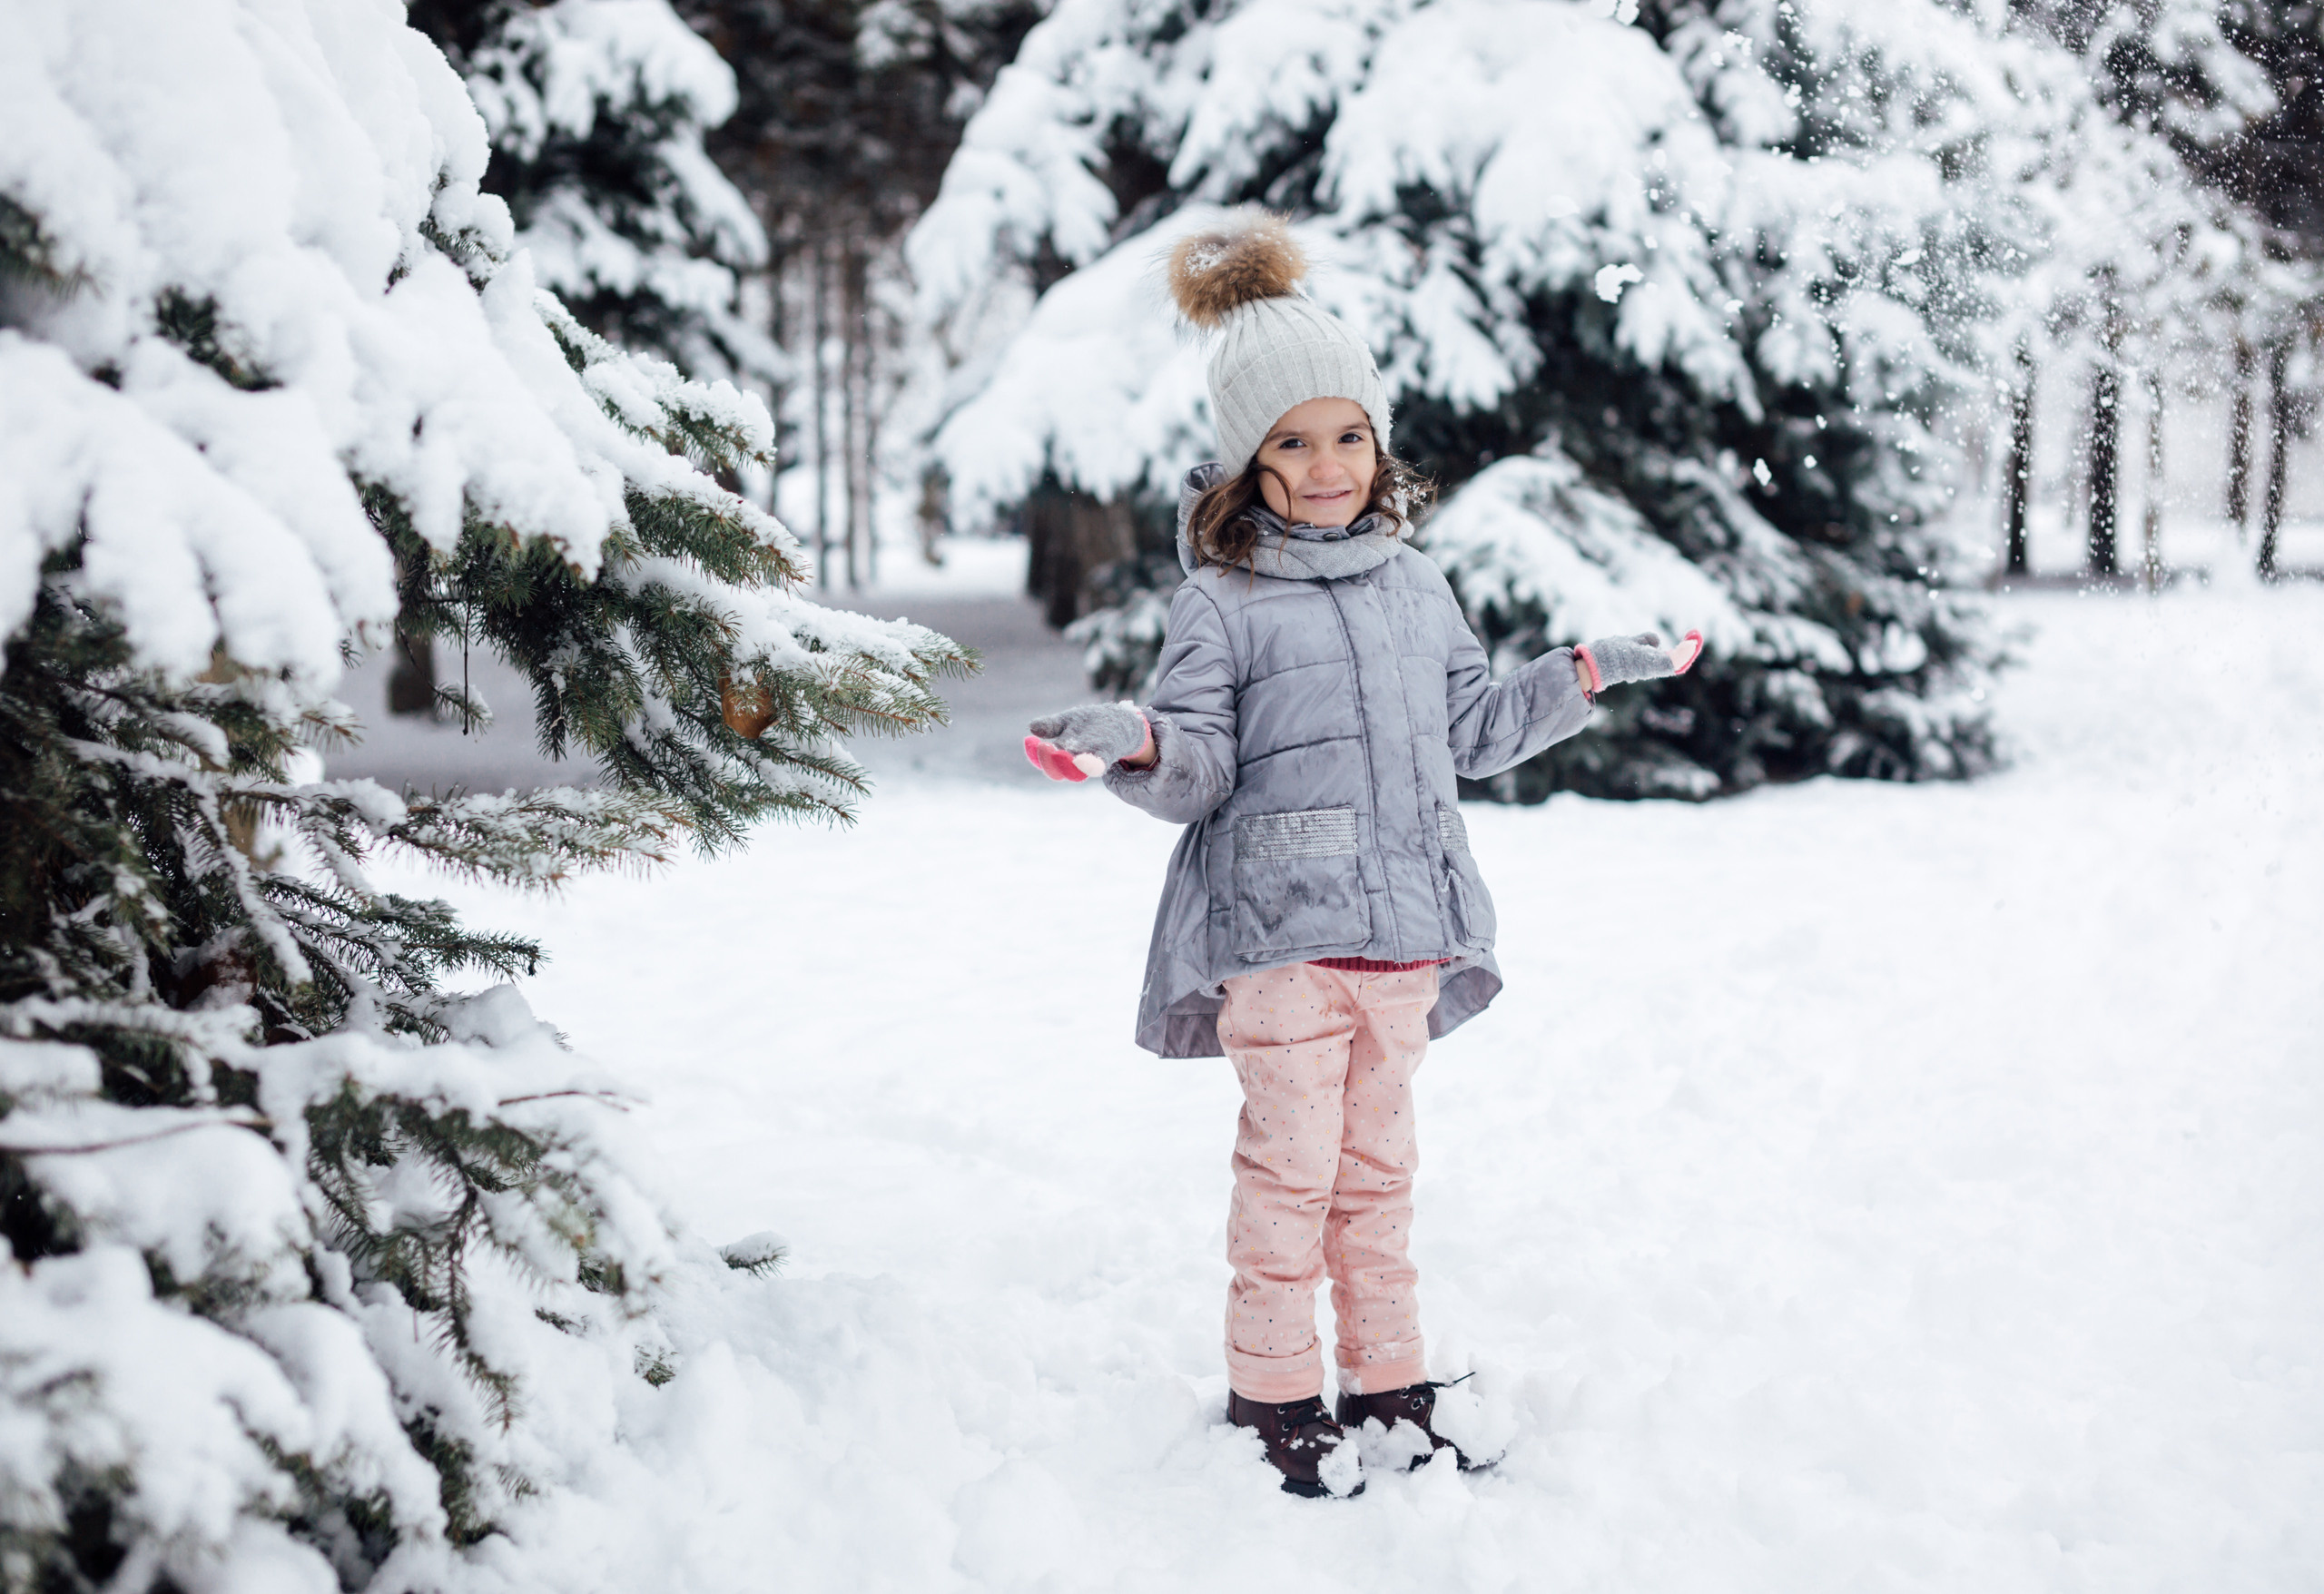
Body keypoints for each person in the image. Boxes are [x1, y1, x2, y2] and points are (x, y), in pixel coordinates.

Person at [1023, 212, 1701, 1499]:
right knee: (1290, 1179)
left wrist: (1587, 669)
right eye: (1292, 441)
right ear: (1246, 461)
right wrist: (1124, 740)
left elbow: (1475, 730)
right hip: (1281, 946)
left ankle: (1389, 1386)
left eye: (1347, 434)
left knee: (1379, 1180)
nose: (1328, 464)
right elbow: (1201, 758)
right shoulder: (1220, 600)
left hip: (1402, 938)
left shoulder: (1417, 587)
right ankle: (1274, 1399)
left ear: (1376, 441)